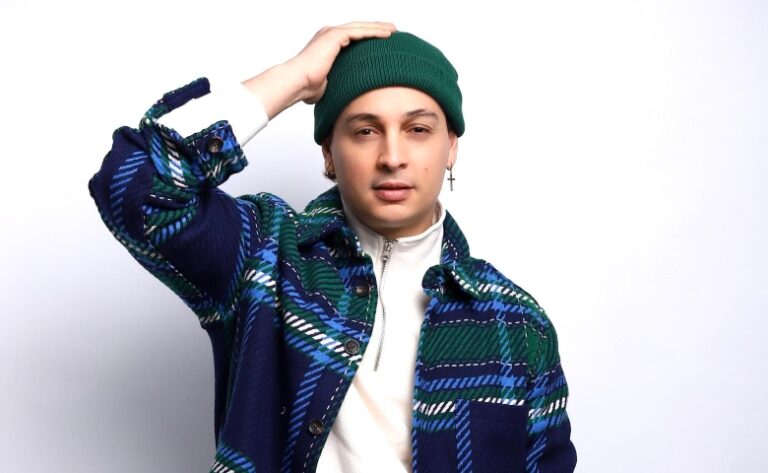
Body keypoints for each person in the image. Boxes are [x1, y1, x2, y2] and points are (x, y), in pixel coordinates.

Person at [89, 21, 576, 473]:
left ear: (450, 147)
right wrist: (295, 78)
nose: (392, 157)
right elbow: (131, 185)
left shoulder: (516, 322)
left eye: (418, 130)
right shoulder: (265, 256)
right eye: (365, 131)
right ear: (328, 153)